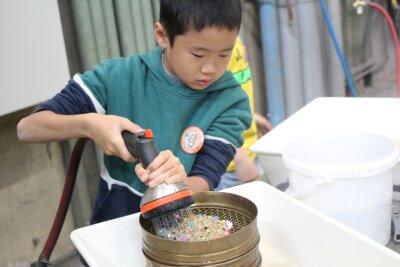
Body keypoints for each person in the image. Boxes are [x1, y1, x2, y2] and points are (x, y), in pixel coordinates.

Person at [17, 0, 251, 225]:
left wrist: (178, 183)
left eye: (224, 54)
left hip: (181, 235)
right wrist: (90, 124)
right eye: (198, 55)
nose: (210, 68)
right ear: (162, 35)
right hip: (111, 228)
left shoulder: (230, 101)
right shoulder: (117, 77)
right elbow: (28, 129)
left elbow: (205, 178)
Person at [216, 37, 272, 190]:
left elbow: (230, 94)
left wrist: (251, 116)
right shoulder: (215, 47)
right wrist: (237, 153)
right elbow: (207, 103)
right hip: (230, 164)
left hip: (249, 150)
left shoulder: (235, 38)